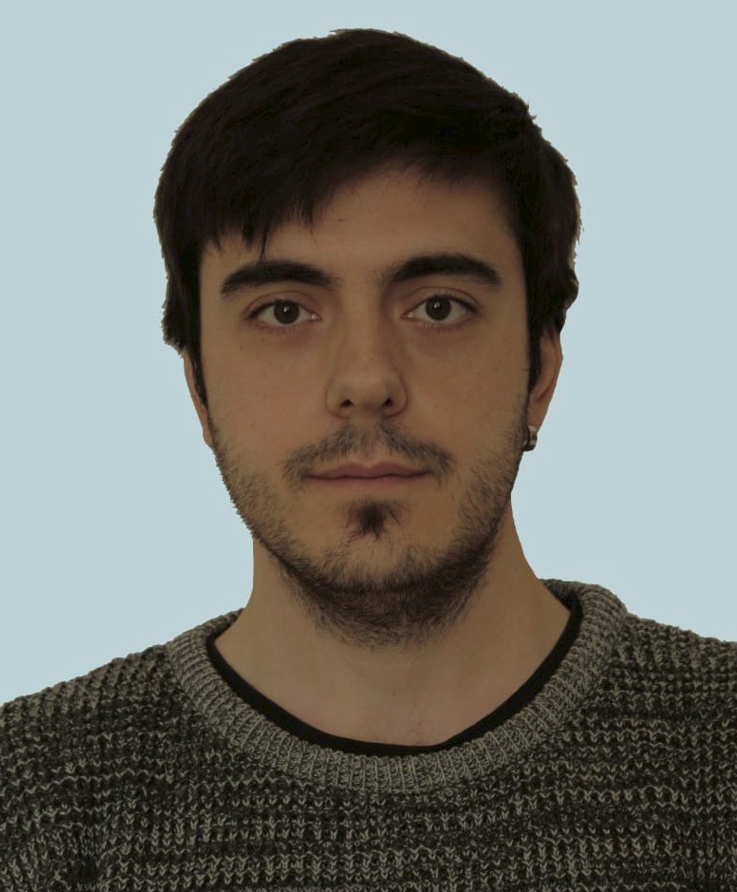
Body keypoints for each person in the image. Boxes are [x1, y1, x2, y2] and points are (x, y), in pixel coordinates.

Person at [1, 27, 735, 890]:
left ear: (539, 371)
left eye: (437, 307)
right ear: (198, 385)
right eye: (284, 312)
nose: (365, 382)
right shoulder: (31, 798)